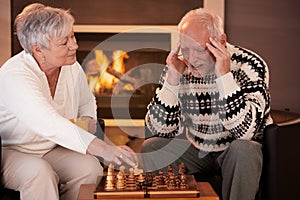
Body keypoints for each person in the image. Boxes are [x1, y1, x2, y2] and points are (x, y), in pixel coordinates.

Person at [0, 3, 137, 200]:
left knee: (89, 168)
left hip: (51, 148)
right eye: (64, 42)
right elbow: (48, 122)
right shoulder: (15, 75)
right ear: (38, 50)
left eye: (72, 36)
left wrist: (88, 119)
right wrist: (104, 148)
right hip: (11, 152)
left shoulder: (70, 67)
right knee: (40, 172)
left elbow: (86, 99)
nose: (75, 45)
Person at [141, 8, 273, 200]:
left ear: (221, 42)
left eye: (199, 49)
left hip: (236, 150)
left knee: (243, 150)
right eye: (185, 49)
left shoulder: (250, 65)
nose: (191, 59)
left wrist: (225, 77)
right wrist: (172, 80)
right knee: (151, 147)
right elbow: (159, 129)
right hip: (198, 148)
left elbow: (246, 133)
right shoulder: (180, 66)